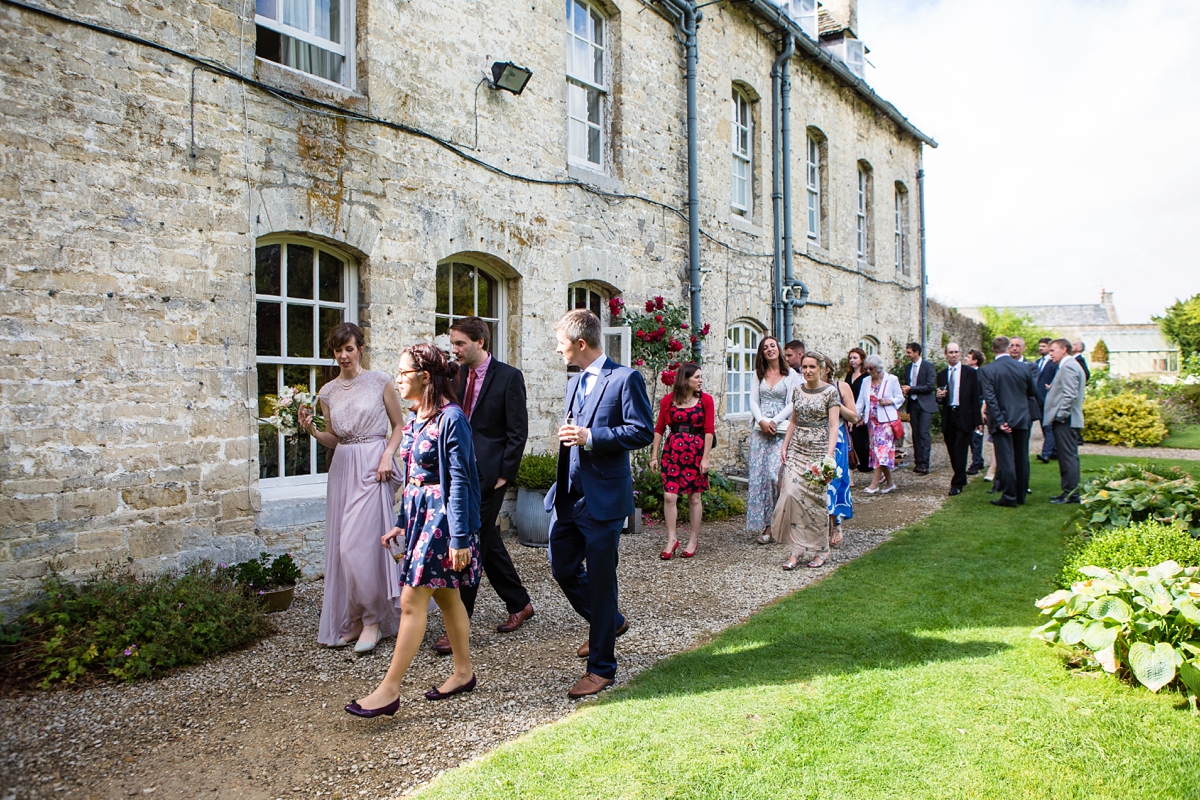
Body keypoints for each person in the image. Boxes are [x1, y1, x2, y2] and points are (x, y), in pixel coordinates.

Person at [345, 343, 482, 717]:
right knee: (446, 597)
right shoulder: (417, 418)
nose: (398, 379)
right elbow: (414, 480)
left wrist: (458, 538)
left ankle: (389, 690)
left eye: (403, 373)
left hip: (444, 524)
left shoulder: (451, 419)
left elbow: (459, 482)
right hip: (422, 520)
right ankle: (464, 672)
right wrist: (401, 523)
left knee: (410, 601)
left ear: (424, 377)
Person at [549, 310, 654, 698]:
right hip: (569, 496)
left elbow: (641, 430)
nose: (558, 348)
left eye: (562, 342)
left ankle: (602, 668)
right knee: (561, 567)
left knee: (603, 583)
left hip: (604, 500)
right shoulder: (573, 382)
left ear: (580, 343)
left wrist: (591, 436)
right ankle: (609, 624)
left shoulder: (625, 378)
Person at [425, 318, 533, 657]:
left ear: (480, 342)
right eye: (453, 343)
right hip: (459, 471)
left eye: (459, 344)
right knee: (487, 538)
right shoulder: (454, 375)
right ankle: (520, 602)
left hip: (490, 475)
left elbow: (518, 430)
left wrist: (505, 474)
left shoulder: (509, 377)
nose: (454, 349)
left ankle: (460, 624)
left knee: (471, 540)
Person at [302, 323, 404, 653]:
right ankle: (356, 619)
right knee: (342, 549)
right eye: (337, 350)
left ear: (361, 348)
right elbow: (334, 436)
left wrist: (388, 456)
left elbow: (399, 426)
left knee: (358, 547)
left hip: (374, 466)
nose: (343, 356)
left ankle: (374, 620)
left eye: (349, 349)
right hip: (343, 467)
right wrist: (313, 432)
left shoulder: (380, 381)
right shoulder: (327, 392)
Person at [772, 352, 842, 570]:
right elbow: (793, 420)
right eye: (805, 367)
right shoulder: (797, 390)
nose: (808, 370)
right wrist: (784, 446)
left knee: (815, 500)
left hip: (819, 450)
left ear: (821, 368)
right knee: (791, 493)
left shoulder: (830, 392)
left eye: (812, 366)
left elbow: (833, 426)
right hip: (797, 449)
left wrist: (829, 456)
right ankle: (797, 548)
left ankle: (821, 549)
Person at [649, 363, 715, 559]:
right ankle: (671, 539)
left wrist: (705, 458)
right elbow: (659, 428)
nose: (700, 380)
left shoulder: (706, 401)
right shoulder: (668, 401)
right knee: (670, 496)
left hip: (695, 453)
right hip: (673, 452)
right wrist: (654, 456)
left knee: (694, 497)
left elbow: (709, 431)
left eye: (701, 377)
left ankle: (693, 539)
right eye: (696, 377)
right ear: (685, 379)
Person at [979, 335, 1037, 508]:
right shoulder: (1024, 368)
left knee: (1006, 459)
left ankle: (1010, 496)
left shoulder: (988, 370)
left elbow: (991, 398)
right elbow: (1032, 391)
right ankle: (1021, 494)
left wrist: (999, 420)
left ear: (993, 350)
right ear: (1007, 347)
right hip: (1021, 417)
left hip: (1002, 419)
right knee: (1021, 457)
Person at [748, 336, 794, 544]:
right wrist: (761, 422)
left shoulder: (791, 374)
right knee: (762, 478)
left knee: (776, 476)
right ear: (762, 352)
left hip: (781, 430)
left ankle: (782, 521)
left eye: (772, 346)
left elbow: (793, 403)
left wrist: (774, 421)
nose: (769, 350)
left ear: (779, 349)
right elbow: (753, 400)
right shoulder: (758, 374)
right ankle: (768, 525)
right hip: (761, 430)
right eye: (765, 347)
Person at [936, 342, 982, 496]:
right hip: (949, 414)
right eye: (950, 352)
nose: (953, 355)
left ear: (960, 353)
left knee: (961, 449)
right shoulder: (942, 374)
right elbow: (940, 398)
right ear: (946, 355)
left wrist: (978, 421)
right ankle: (961, 476)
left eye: (956, 352)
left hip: (965, 415)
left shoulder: (970, 373)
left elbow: (976, 397)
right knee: (951, 449)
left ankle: (956, 483)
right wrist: (939, 397)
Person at [1043, 339, 1086, 504]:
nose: (1050, 353)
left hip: (1066, 421)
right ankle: (1069, 491)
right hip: (1066, 419)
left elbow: (1070, 395)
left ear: (1064, 349)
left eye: (1053, 350)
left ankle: (1071, 493)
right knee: (1068, 456)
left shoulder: (1068, 366)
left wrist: (1060, 415)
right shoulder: (1070, 365)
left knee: (1068, 457)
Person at [821, 354, 857, 544]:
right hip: (816, 439)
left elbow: (854, 417)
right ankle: (822, 527)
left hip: (838, 440)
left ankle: (837, 525)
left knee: (834, 482)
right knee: (818, 482)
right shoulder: (809, 389)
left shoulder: (841, 387)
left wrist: (836, 404)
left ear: (826, 369)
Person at [856, 354, 903, 494]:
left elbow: (900, 398)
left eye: (871, 369)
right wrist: (855, 416)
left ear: (878, 368)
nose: (869, 371)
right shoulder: (866, 381)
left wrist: (889, 401)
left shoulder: (892, 379)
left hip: (887, 422)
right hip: (872, 422)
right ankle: (890, 483)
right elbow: (860, 402)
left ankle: (874, 484)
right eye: (867, 369)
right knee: (879, 452)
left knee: (881, 452)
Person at [901, 342, 937, 475]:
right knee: (915, 433)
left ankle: (924, 463)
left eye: (909, 352)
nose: (907, 355)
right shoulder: (907, 367)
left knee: (923, 433)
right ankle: (918, 462)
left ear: (917, 352)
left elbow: (929, 386)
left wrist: (912, 389)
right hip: (913, 404)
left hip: (926, 404)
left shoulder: (928, 366)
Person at [845, 347, 873, 474]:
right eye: (850, 358)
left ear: (862, 359)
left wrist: (861, 415)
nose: (852, 360)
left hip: (861, 410)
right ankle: (853, 464)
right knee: (851, 439)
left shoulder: (866, 376)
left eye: (855, 358)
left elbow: (866, 397)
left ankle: (867, 463)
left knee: (862, 440)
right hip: (850, 408)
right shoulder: (849, 375)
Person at [1033, 337, 1059, 464]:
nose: (1040, 348)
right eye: (1040, 346)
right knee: (1044, 426)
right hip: (1038, 399)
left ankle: (1046, 453)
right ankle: (1054, 452)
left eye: (1043, 346)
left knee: (1048, 427)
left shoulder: (1054, 363)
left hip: (1049, 399)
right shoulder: (1037, 362)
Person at [964, 349, 987, 475]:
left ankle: (976, 462)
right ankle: (979, 460)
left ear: (975, 360)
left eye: (968, 357)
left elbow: (983, 394)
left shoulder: (980, 375)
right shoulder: (968, 373)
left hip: (978, 408)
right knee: (972, 437)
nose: (966, 358)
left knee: (977, 436)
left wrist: (982, 411)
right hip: (968, 409)